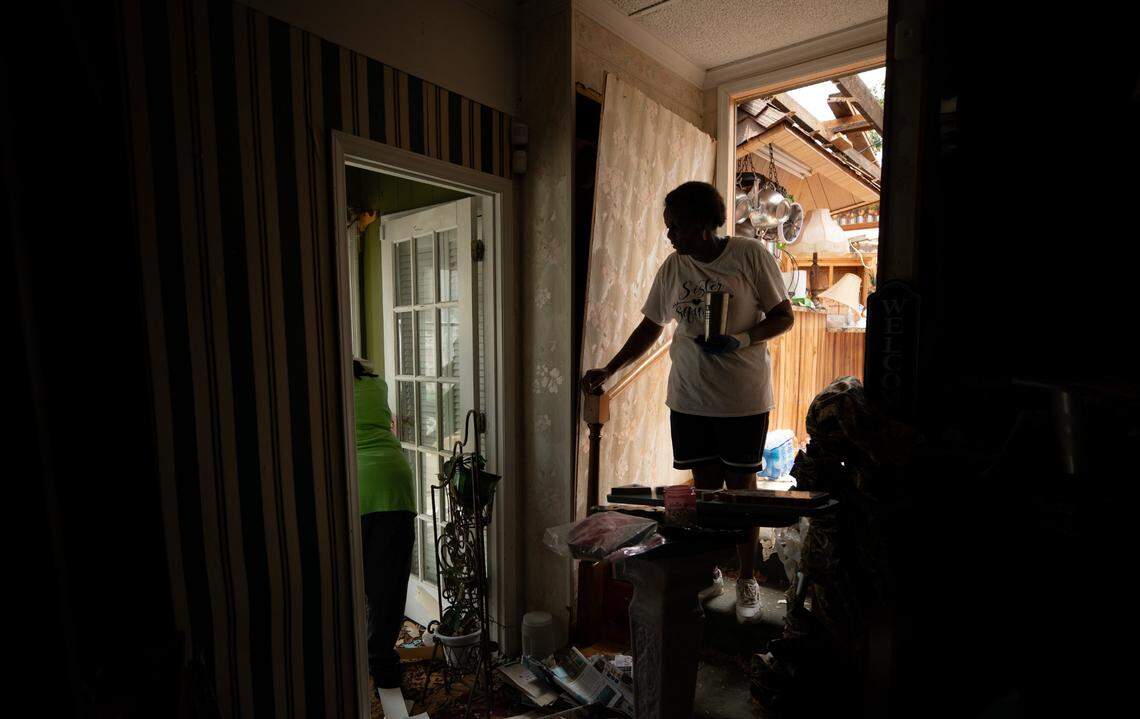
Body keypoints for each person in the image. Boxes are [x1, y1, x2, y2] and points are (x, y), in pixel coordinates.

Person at [581, 181, 794, 622]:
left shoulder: (749, 255)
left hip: (742, 398)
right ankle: (711, 567)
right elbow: (651, 326)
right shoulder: (674, 266)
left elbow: (783, 317)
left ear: (702, 225)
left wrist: (740, 340)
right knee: (706, 491)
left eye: (675, 227)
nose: (669, 235)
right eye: (668, 226)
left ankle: (747, 577)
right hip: (689, 397)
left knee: (740, 491)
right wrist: (610, 368)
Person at [353, 358, 417, 713]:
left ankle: (355, 664)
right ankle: (385, 672)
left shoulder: (325, 386)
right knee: (387, 590)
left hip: (356, 486)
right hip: (394, 483)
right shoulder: (375, 383)